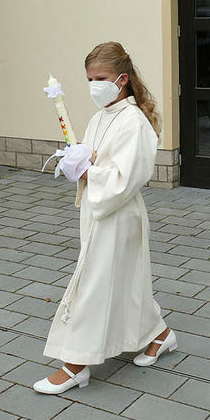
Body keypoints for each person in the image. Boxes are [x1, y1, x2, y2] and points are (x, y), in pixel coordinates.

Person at [34, 42, 175, 394]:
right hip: (98, 213)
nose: (94, 85)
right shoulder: (100, 117)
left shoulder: (134, 122)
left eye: (101, 78)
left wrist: (87, 171)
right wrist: (77, 160)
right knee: (125, 283)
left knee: (94, 286)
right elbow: (93, 159)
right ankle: (160, 333)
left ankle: (76, 364)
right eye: (89, 79)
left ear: (122, 79)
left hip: (119, 215)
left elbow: (128, 178)